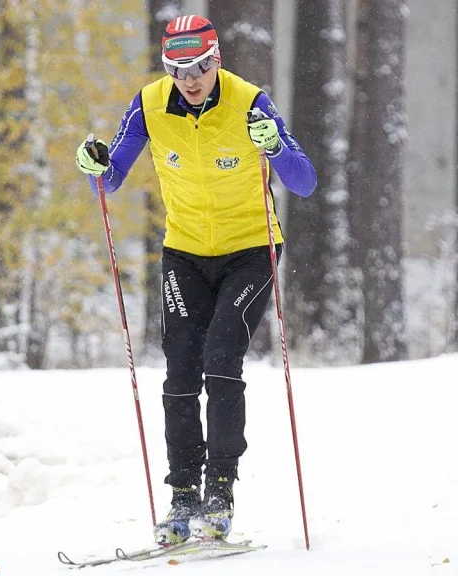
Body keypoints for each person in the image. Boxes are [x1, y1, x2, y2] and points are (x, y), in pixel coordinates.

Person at [74, 15, 316, 544]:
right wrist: (95, 165)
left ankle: (220, 491)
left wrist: (275, 146)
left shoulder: (250, 102)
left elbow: (305, 182)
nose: (190, 78)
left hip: (251, 248)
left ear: (217, 61)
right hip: (184, 250)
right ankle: (183, 495)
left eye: (200, 66)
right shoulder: (149, 104)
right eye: (177, 68)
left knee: (221, 354)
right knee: (180, 367)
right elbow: (112, 177)